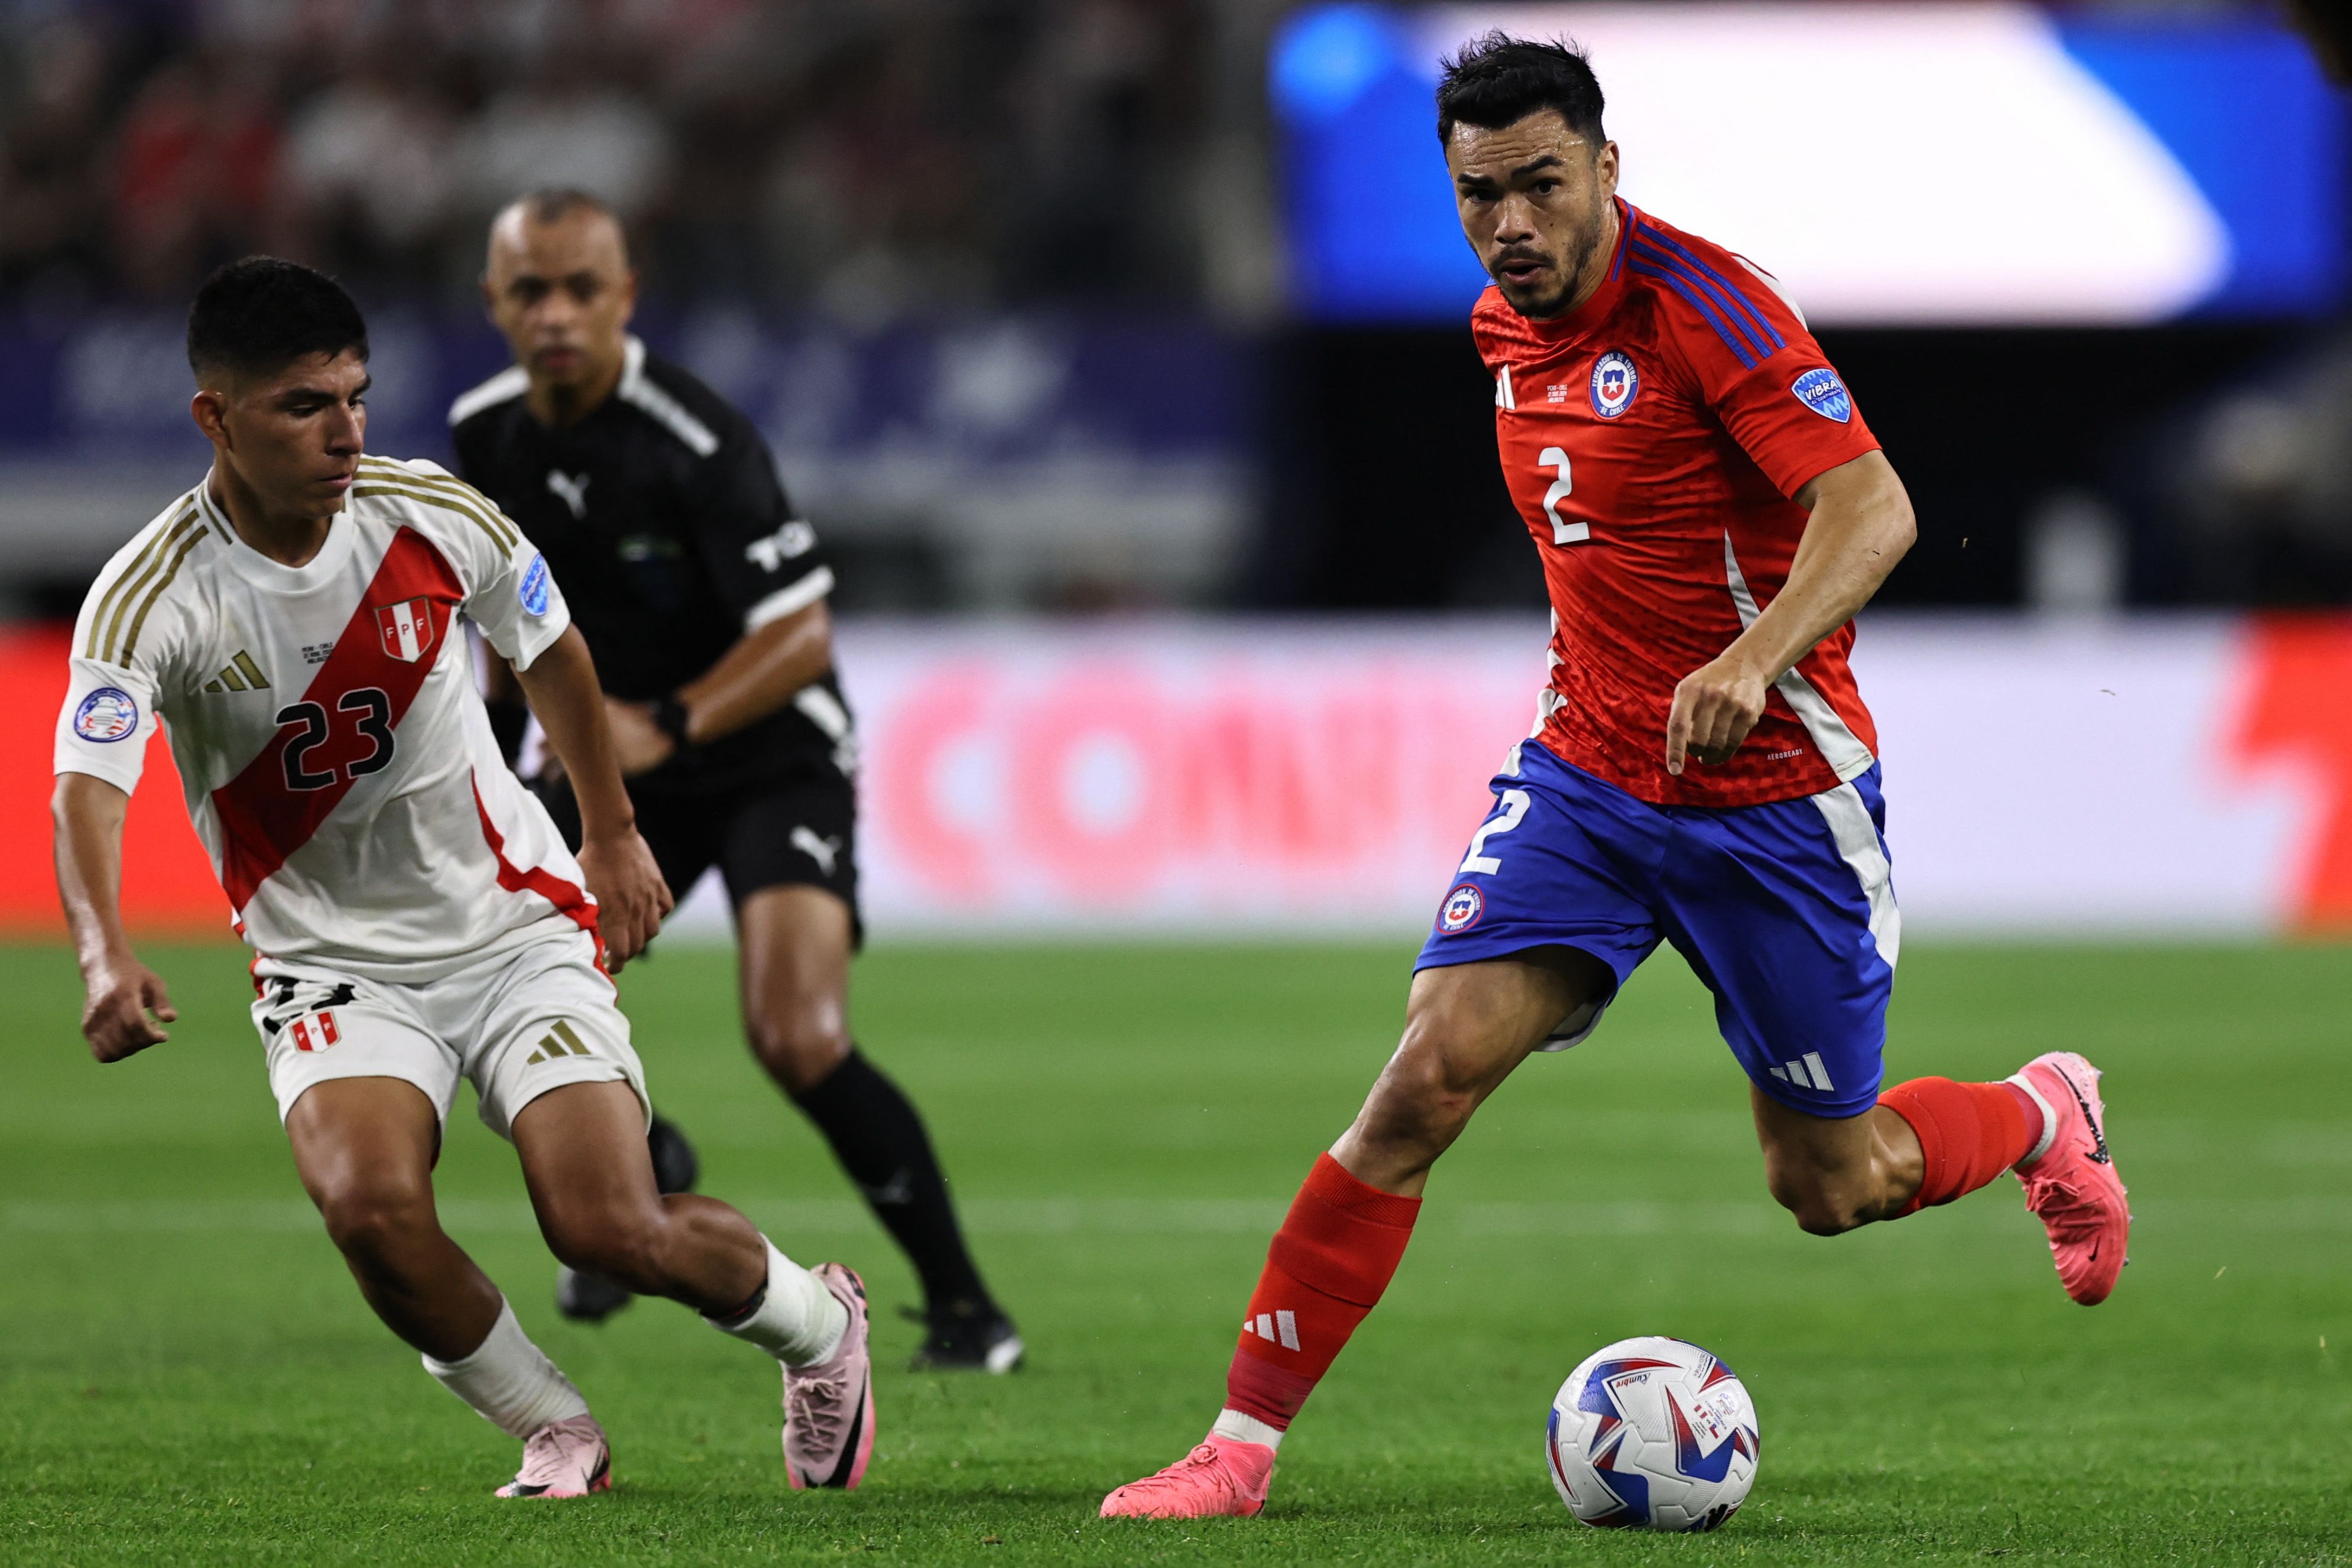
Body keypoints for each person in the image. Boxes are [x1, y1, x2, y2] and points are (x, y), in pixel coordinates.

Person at [1100, 34, 2130, 1521]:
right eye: (1479, 196)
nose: (1510, 224)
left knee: (1829, 1186)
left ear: (1605, 169)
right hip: (1589, 778)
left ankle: (2040, 1113)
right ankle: (1237, 1450)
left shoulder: (1706, 308)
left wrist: (1749, 659)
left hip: (1776, 797)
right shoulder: (1497, 324)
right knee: (1420, 1081)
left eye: (1539, 185)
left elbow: (1874, 506)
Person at [53, 257, 878, 1498]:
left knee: (608, 1225)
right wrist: (104, 948)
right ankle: (556, 1424)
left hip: (510, 926)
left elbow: (552, 650)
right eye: (303, 407)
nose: (345, 434)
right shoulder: (150, 594)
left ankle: (821, 1329)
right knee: (370, 1212)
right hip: (330, 959)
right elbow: (87, 788)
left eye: (357, 397)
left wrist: (609, 832)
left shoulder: (433, 513)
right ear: (213, 418)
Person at [449, 189, 1020, 1371]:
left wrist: (670, 721)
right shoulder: (486, 433)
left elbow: (802, 632)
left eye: (581, 289)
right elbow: (499, 626)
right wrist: (502, 778)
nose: (555, 314)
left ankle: (969, 1310)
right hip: (620, 756)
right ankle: (646, 1167)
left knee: (797, 1034)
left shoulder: (694, 437)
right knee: (483, 986)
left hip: (768, 751)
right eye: (529, 290)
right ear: (494, 302)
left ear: (626, 296)